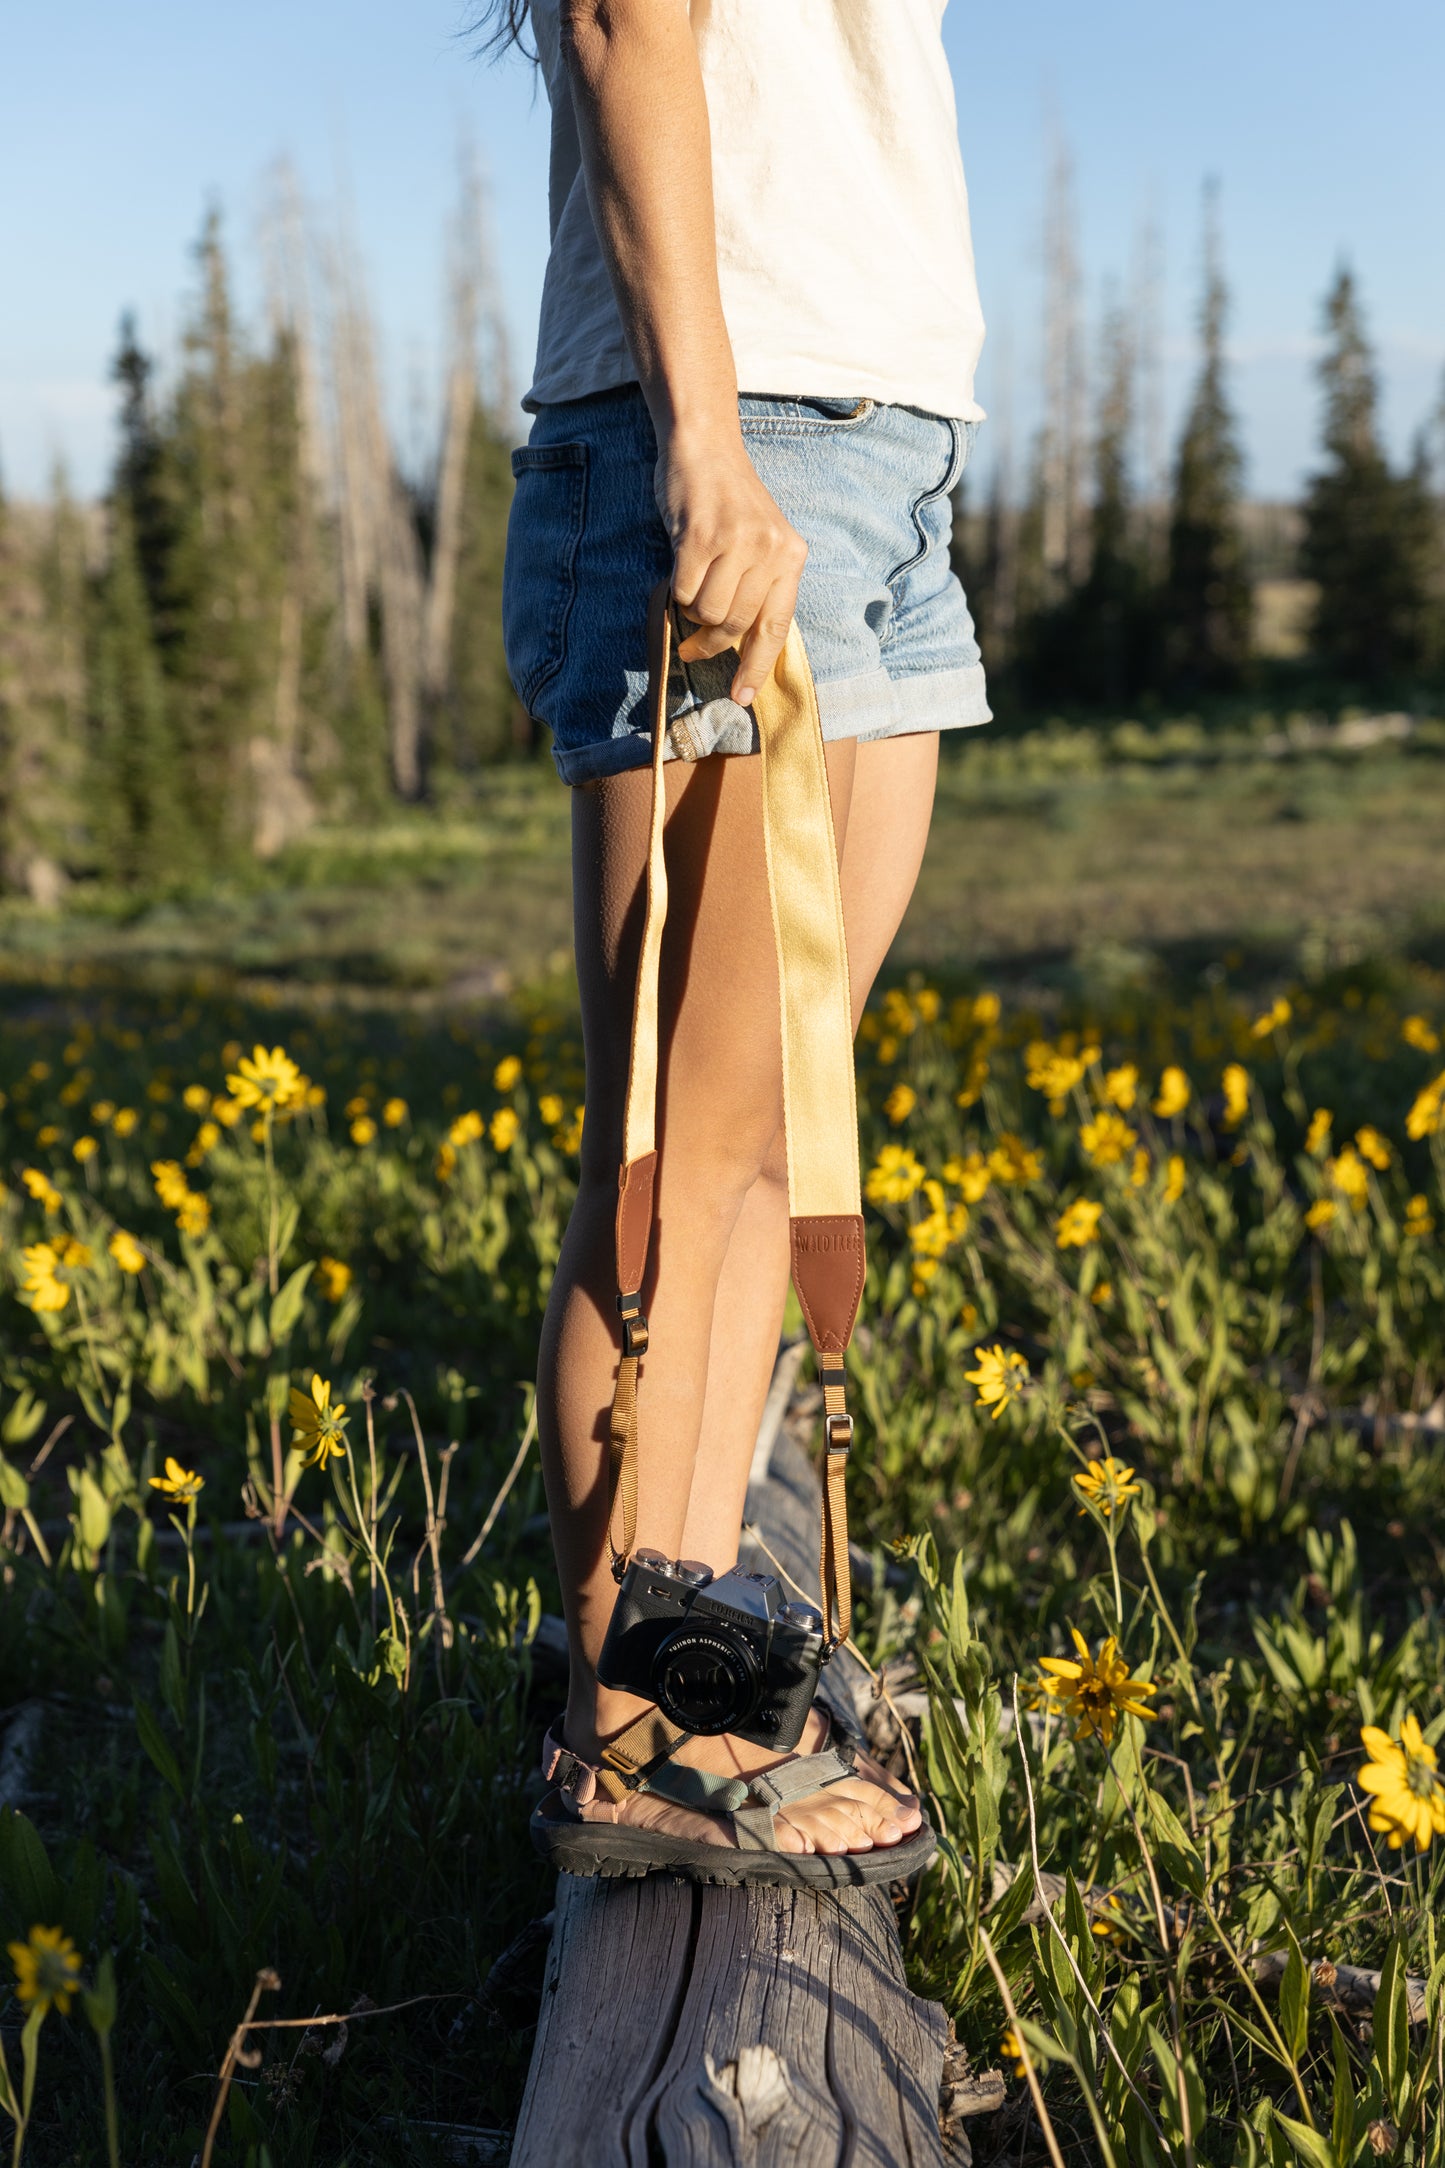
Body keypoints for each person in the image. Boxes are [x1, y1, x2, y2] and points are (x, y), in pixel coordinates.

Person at [491, 0, 989, 1878]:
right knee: (682, 1158)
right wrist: (705, 444)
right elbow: (628, 25)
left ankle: (661, 1643)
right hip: (731, 435)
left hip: (874, 457)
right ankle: (640, 1737)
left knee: (764, 1135)